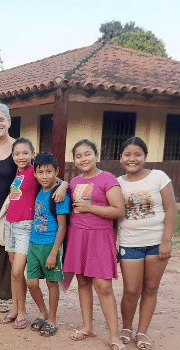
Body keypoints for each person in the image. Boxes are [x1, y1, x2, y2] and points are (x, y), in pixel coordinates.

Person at [0, 103, 68, 317]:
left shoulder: (19, 148)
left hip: (9, 212)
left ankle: (0, 295)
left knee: (3, 257)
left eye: (1, 120)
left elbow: (47, 175)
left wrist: (65, 185)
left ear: (9, 122)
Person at [63, 139, 126, 350]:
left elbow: (118, 211)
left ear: (96, 155)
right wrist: (63, 185)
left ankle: (115, 336)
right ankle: (87, 327)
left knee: (103, 287)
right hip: (78, 237)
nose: (83, 159)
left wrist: (90, 207)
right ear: (74, 160)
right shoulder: (73, 182)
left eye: (87, 154)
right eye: (78, 156)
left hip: (99, 238)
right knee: (82, 282)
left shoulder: (108, 179)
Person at [117, 137, 176, 350]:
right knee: (131, 289)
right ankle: (126, 327)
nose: (132, 159)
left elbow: (171, 209)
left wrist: (166, 241)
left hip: (156, 243)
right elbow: (114, 216)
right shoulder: (117, 182)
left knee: (151, 288)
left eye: (137, 154)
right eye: (127, 154)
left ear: (145, 157)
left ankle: (142, 332)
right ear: (121, 157)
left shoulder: (159, 177)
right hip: (129, 243)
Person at [26, 152, 70, 337]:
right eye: (41, 172)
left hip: (50, 245)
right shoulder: (38, 191)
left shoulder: (59, 196)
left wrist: (53, 253)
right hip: (34, 244)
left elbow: (62, 227)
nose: (45, 176)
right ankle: (42, 311)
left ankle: (52, 319)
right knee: (31, 282)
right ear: (35, 174)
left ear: (56, 172)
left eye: (49, 172)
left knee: (52, 283)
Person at [0, 138, 37, 329]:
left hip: (25, 226)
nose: (21, 157)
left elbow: (58, 181)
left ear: (32, 154)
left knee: (17, 270)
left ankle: (22, 312)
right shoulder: (17, 174)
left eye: (25, 153)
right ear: (12, 156)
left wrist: (62, 186)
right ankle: (15, 309)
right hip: (11, 225)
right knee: (15, 274)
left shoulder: (35, 171)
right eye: (17, 153)